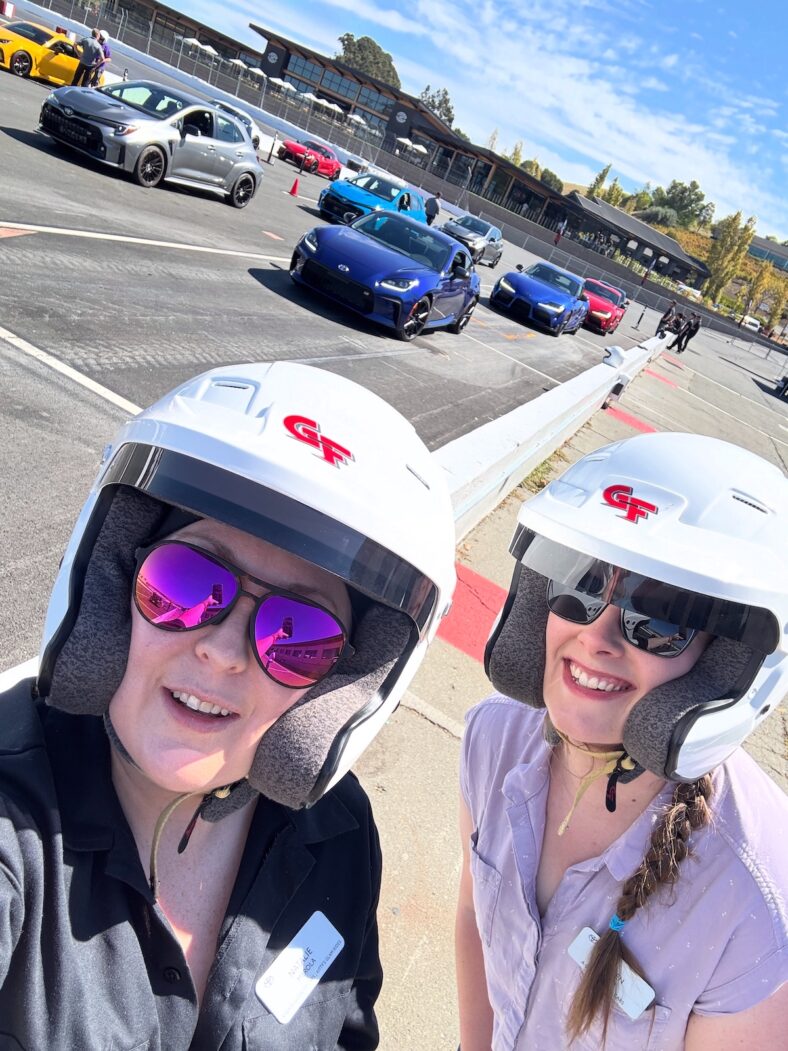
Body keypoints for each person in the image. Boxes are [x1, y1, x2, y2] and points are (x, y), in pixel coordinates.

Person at [0, 361, 456, 1049]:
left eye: (295, 633)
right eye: (186, 582)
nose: (223, 651)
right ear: (113, 585)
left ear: (341, 687)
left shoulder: (340, 832)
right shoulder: (14, 825)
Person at [456, 432, 787, 1051]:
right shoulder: (491, 740)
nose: (597, 637)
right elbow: (474, 920)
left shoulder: (755, 897)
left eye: (658, 619)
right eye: (578, 586)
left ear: (729, 665)